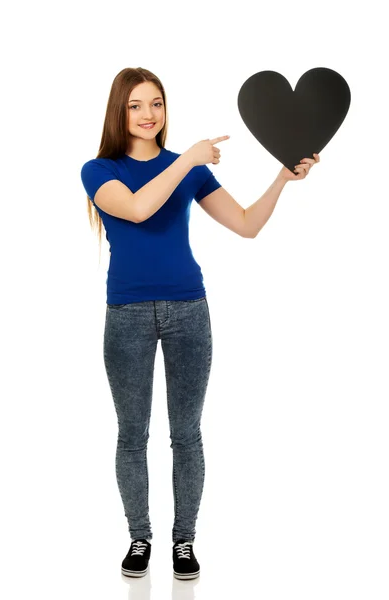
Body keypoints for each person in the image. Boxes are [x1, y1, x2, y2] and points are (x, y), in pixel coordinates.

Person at [80, 67, 320, 581]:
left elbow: (247, 226)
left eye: (157, 103)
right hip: (126, 314)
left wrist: (282, 177)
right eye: (136, 105)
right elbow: (139, 209)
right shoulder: (98, 170)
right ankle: (138, 537)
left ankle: (183, 540)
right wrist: (187, 157)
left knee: (187, 434)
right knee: (132, 434)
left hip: (190, 309)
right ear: (119, 113)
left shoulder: (189, 170)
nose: (148, 115)